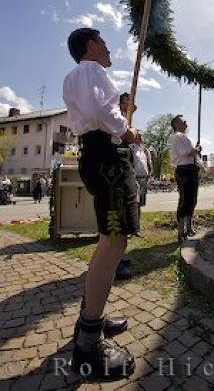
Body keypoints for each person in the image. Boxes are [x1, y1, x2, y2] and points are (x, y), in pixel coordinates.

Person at [63, 28, 140, 380]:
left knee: (107, 239)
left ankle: (90, 313)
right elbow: (100, 111)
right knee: (114, 240)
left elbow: (95, 111)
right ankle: (88, 343)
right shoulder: (91, 70)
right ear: (91, 46)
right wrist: (125, 130)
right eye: (104, 42)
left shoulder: (76, 76)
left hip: (98, 157)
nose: (109, 49)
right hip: (107, 159)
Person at [169, 115, 201, 243]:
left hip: (192, 169)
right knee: (185, 199)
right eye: (182, 121)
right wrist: (196, 150)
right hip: (184, 171)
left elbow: (191, 154)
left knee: (192, 199)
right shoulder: (178, 137)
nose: (186, 122)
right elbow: (187, 153)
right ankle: (181, 231)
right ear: (176, 124)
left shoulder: (185, 137)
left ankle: (189, 227)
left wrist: (196, 152)